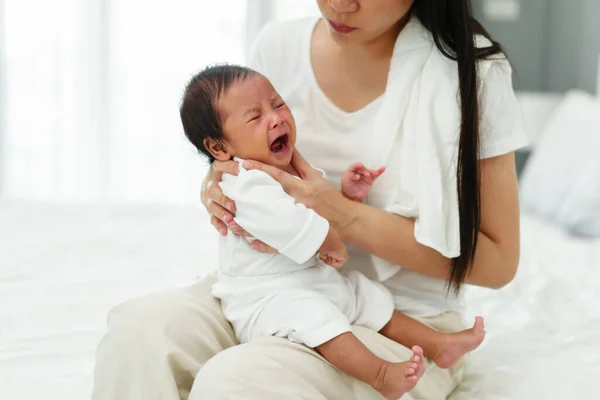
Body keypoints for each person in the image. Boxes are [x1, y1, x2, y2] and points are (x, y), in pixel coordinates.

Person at [92, 1, 528, 399]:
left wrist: (343, 217)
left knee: (235, 380)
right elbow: (237, 147)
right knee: (138, 335)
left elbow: (498, 262)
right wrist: (215, 182)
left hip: (400, 320)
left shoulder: (471, 72)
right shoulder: (278, 48)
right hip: (275, 284)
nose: (340, 4)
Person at [178, 64, 487, 399]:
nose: (276, 118)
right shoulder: (246, 185)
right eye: (255, 117)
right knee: (317, 318)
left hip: (306, 282)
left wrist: (346, 199)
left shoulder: (282, 169)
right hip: (266, 300)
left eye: (278, 104)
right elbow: (296, 225)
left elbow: (316, 208)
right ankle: (381, 373)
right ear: (219, 148)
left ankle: (438, 344)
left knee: (364, 296)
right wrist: (332, 243)